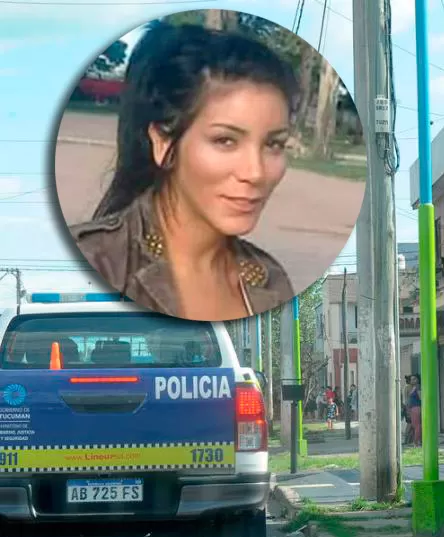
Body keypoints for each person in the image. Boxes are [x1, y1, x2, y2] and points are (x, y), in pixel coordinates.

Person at [68, 23, 297, 322]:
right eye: (225, 141)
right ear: (163, 142)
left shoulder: (271, 281)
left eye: (273, 144)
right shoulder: (92, 262)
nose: (255, 172)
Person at [407, 375, 422, 447]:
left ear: (417, 380)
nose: (412, 380)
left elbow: (420, 397)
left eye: (414, 379)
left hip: (416, 407)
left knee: (417, 425)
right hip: (413, 407)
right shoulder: (413, 387)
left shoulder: (418, 387)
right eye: (411, 379)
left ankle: (416, 442)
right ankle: (417, 441)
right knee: (414, 425)